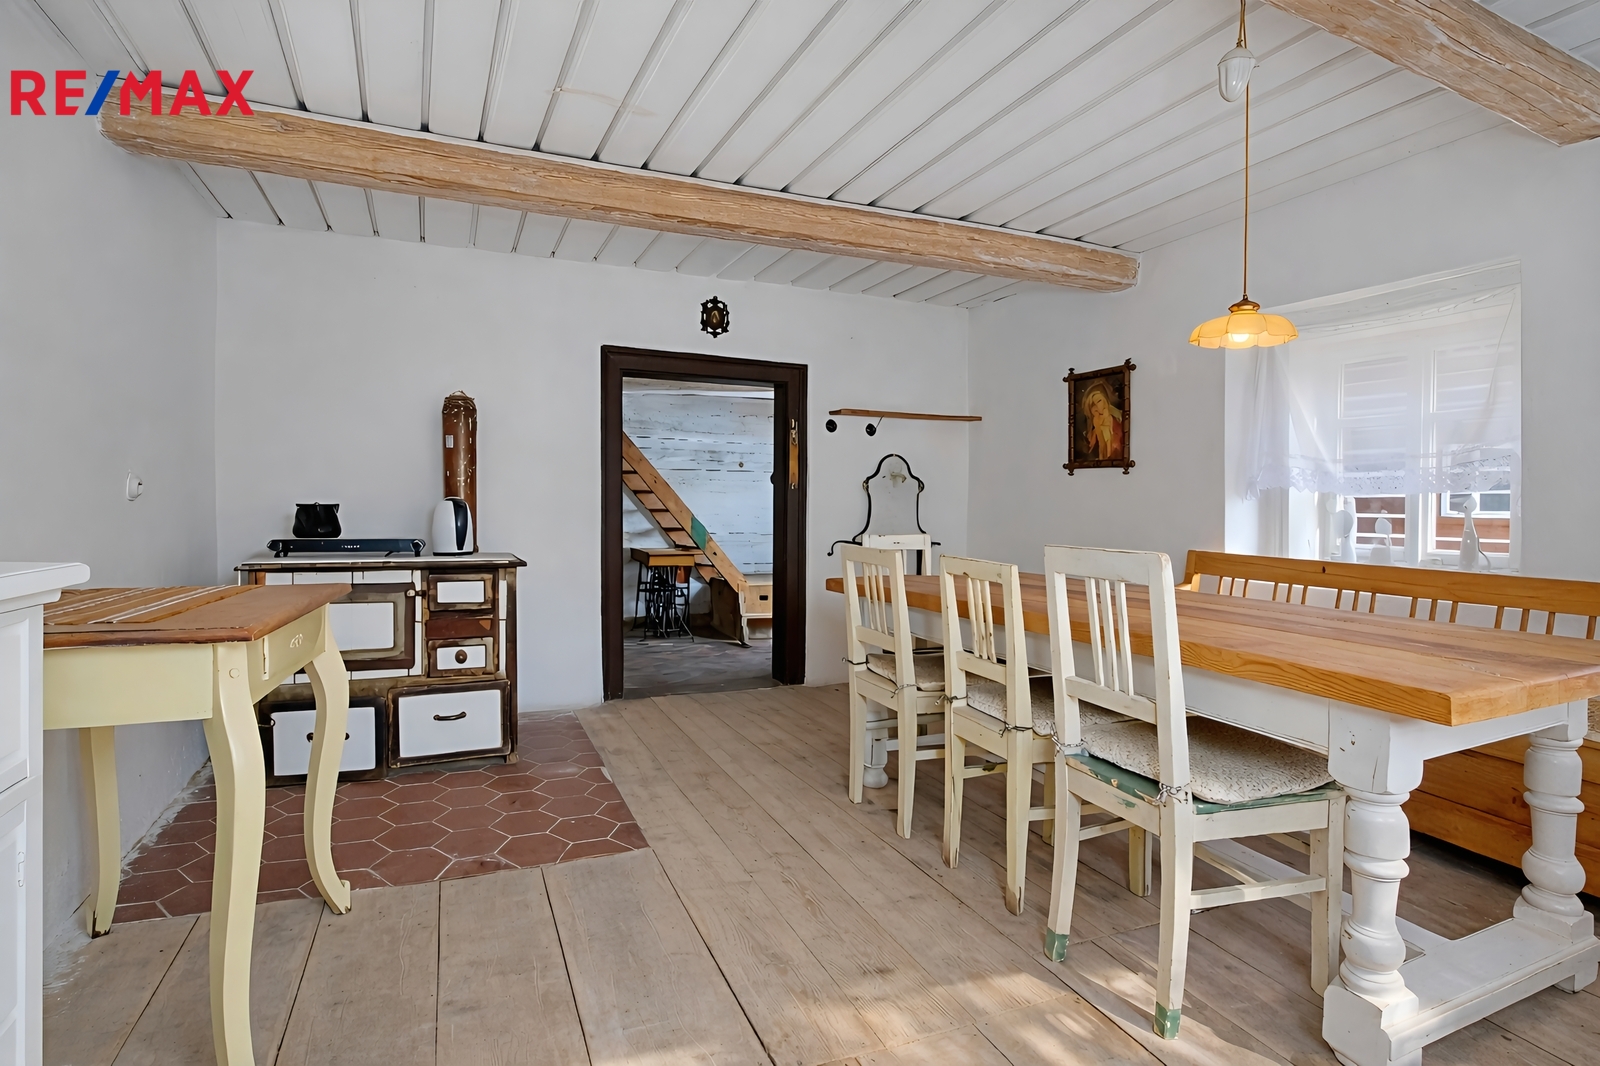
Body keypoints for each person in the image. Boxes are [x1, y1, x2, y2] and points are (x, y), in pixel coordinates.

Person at [1081, 380, 1124, 460]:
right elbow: (1099, 444)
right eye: (1094, 405)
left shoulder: (1116, 417)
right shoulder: (1096, 422)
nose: (1098, 406)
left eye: (1099, 401)